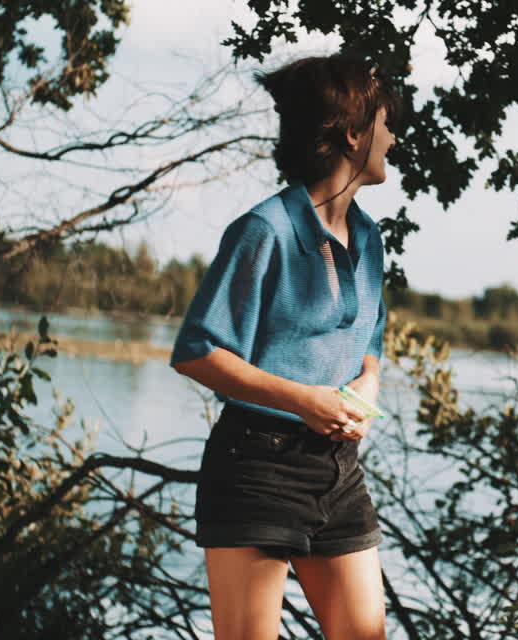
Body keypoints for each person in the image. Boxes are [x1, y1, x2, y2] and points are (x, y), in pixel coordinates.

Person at [170, 54, 398, 640]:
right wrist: (305, 401)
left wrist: (367, 386)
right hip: (255, 468)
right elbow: (198, 349)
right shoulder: (264, 231)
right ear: (352, 134)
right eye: (385, 123)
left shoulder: (369, 239)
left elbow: (369, 339)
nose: (393, 138)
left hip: (338, 475)